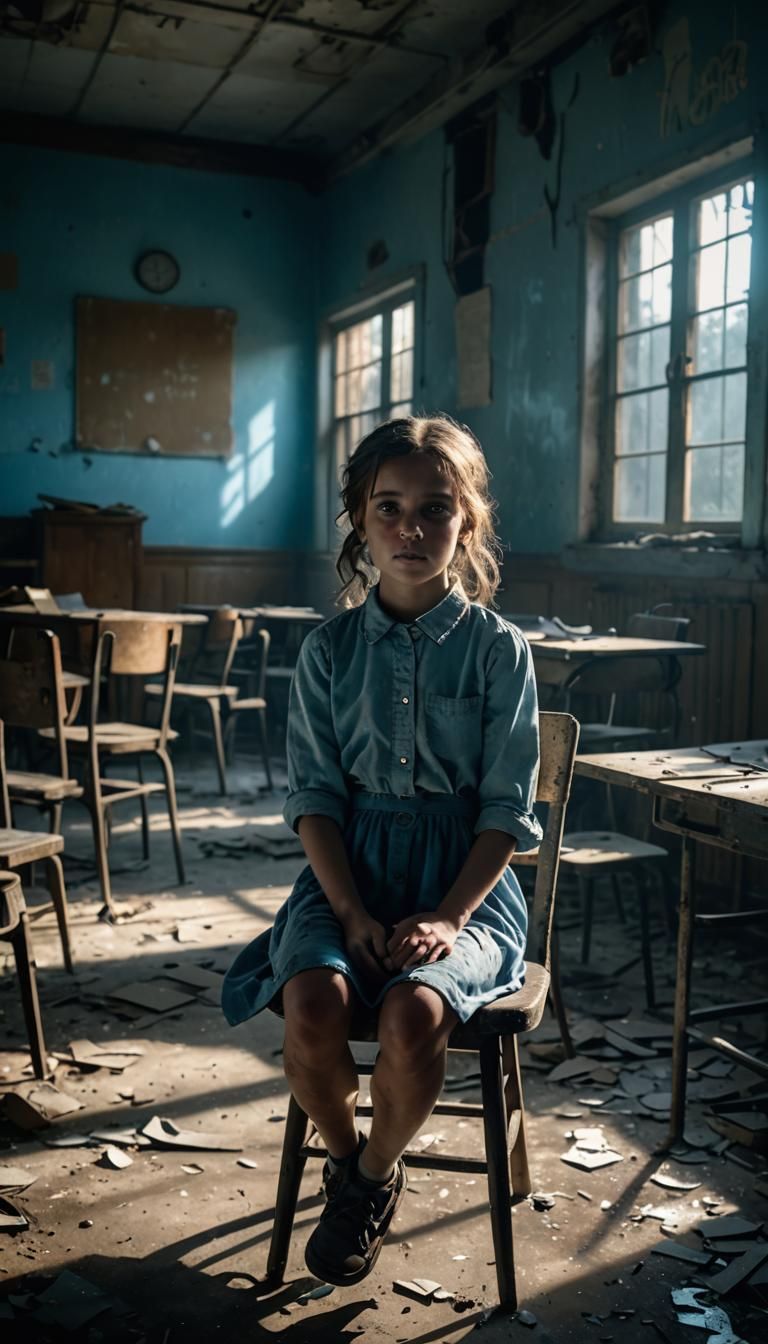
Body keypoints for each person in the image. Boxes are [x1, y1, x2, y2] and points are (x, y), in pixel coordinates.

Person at [222, 414, 541, 1287]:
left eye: (434, 509)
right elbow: (315, 800)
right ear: (360, 521)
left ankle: (366, 1182)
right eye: (388, 507)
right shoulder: (327, 653)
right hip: (346, 872)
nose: (411, 528)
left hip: (463, 884)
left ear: (464, 523)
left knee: (413, 1014)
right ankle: (349, 1152)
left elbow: (509, 812)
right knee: (314, 1003)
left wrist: (448, 915)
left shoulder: (498, 651)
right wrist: (353, 908)